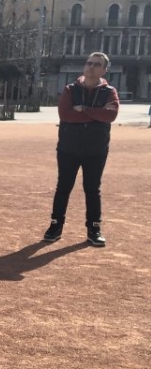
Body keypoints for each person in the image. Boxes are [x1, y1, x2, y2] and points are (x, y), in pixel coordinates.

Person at [43, 52, 119, 247]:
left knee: (92, 190)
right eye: (89, 63)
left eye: (96, 64)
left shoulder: (109, 91)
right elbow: (65, 115)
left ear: (104, 70)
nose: (91, 67)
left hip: (96, 150)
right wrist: (95, 115)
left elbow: (110, 115)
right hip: (68, 148)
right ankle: (55, 225)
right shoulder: (70, 89)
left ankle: (94, 229)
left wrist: (83, 109)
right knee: (63, 188)